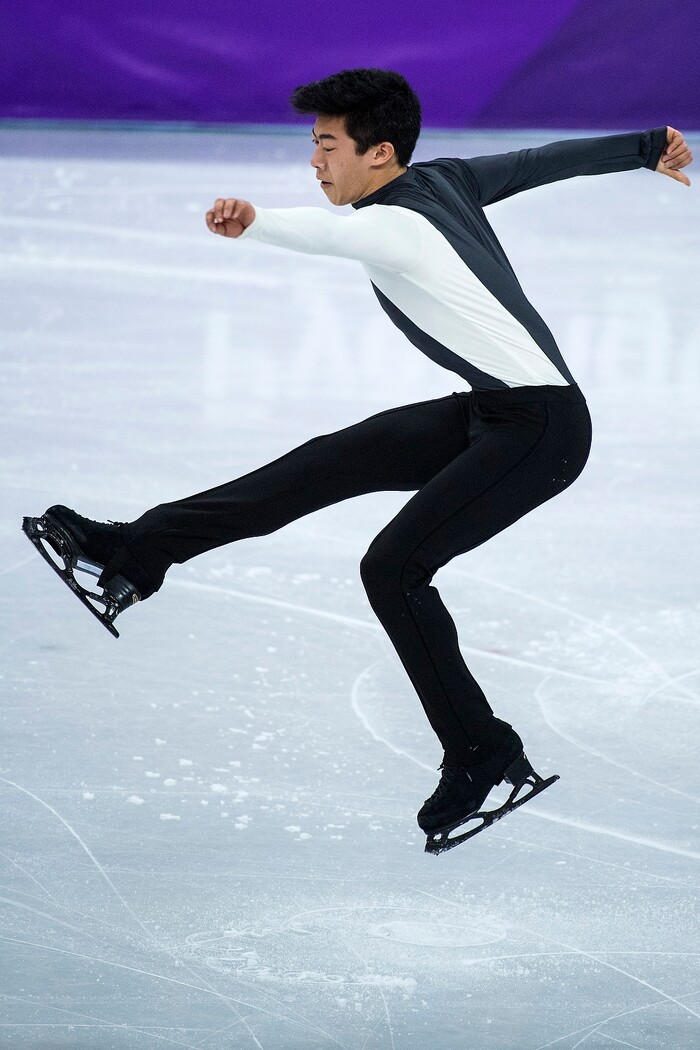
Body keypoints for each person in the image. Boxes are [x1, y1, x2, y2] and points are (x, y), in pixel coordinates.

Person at [23, 69, 693, 853]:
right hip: (495, 410)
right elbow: (542, 161)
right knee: (324, 463)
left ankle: (484, 753)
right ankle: (138, 550)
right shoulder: (448, 178)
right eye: (313, 143)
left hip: (539, 431)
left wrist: (254, 221)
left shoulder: (393, 223)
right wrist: (646, 148)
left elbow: (332, 233)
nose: (315, 161)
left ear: (379, 153)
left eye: (328, 146)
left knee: (393, 568)